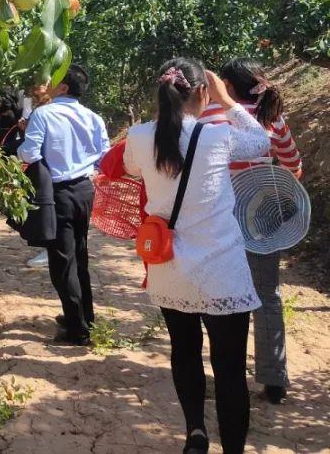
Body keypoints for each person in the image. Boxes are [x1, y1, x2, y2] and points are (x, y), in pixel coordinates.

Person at [124, 59, 267, 454]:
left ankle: (195, 434)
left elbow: (133, 168)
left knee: (184, 351)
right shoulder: (219, 136)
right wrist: (228, 101)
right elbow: (262, 142)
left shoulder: (139, 136)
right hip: (221, 270)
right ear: (203, 92)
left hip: (170, 268)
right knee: (230, 369)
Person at [201, 58, 302, 405]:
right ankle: (274, 378)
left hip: (220, 217)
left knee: (222, 296)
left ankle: (228, 372)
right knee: (267, 295)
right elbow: (294, 166)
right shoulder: (272, 119)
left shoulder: (212, 116)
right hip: (261, 217)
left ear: (225, 85)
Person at [17, 65, 109, 345]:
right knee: (79, 255)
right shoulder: (93, 117)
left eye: (54, 80)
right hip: (84, 189)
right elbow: (103, 154)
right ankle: (85, 316)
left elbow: (29, 153)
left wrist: (27, 137)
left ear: (64, 87)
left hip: (57, 192)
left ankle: (76, 328)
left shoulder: (43, 114)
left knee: (62, 261)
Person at [20, 80, 53, 267]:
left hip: (45, 162)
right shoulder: (38, 107)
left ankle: (49, 250)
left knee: (47, 207)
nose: (35, 87)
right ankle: (47, 249)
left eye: (41, 83)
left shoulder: (48, 108)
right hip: (40, 161)